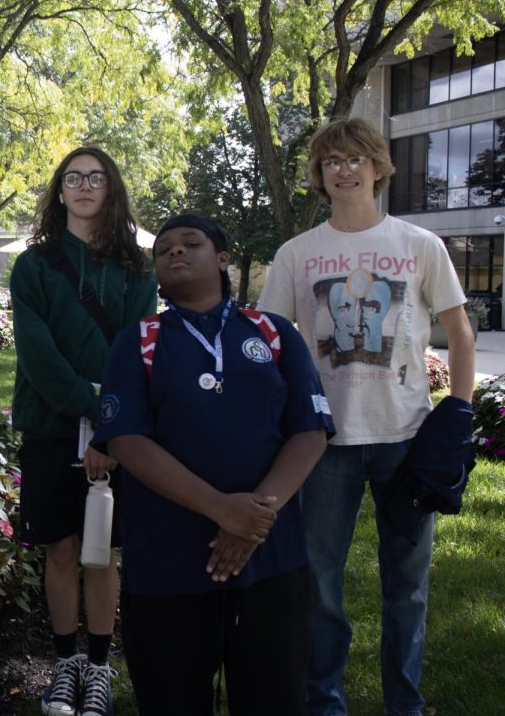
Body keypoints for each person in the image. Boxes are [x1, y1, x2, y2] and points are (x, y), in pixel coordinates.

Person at [258, 117, 475, 716]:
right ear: (320, 176)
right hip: (324, 441)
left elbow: (459, 332)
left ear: (378, 169)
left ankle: (405, 702)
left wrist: (458, 413)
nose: (343, 169)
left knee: (407, 586)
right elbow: (270, 343)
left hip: (406, 437)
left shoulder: (419, 246)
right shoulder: (297, 254)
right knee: (320, 585)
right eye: (331, 161)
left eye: (355, 159)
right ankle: (324, 700)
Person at [94, 214, 334, 714]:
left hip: (271, 562)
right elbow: (127, 441)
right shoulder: (138, 340)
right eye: (163, 251)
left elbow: (309, 431)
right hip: (167, 565)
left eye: (190, 244)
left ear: (222, 259)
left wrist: (252, 521)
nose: (174, 253)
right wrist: (223, 510)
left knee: (274, 700)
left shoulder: (272, 332)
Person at [9, 146, 157, 716]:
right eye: (73, 178)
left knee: (103, 551)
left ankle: (99, 668)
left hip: (114, 436)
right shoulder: (33, 266)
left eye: (96, 178)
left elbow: (135, 352)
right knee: (63, 548)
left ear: (111, 188)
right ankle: (65, 663)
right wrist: (91, 410)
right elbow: (39, 358)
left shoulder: (137, 269)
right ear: (60, 190)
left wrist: (106, 429)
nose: (84, 186)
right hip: (50, 427)